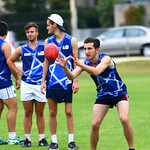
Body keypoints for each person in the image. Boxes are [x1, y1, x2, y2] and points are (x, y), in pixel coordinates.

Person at [56, 37, 135, 150]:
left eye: (90, 49)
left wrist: (80, 65)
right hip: (103, 95)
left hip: (119, 93)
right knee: (94, 124)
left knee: (124, 119)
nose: (86, 52)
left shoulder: (106, 59)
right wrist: (64, 68)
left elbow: (97, 71)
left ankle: (132, 148)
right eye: (85, 49)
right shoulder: (85, 63)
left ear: (97, 50)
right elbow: (72, 76)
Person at [7, 22, 49, 147]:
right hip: (27, 84)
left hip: (40, 85)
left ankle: (41, 139)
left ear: (37, 32)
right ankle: (27, 139)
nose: (30, 34)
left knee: (40, 113)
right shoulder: (22, 49)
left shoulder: (44, 47)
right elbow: (10, 60)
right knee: (27, 113)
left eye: (32, 32)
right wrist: (19, 72)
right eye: (28, 32)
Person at [40, 14, 79, 150]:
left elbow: (76, 62)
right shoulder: (48, 41)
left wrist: (76, 81)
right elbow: (46, 62)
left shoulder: (71, 40)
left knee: (69, 112)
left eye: (48, 24)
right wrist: (43, 81)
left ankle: (71, 142)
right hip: (52, 83)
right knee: (52, 112)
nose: (47, 27)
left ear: (55, 24)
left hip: (67, 82)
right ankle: (54, 142)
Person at [0, 21, 24, 145]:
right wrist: (17, 78)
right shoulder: (5, 45)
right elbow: (10, 63)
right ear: (6, 32)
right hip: (3, 82)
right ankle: (12, 138)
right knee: (13, 108)